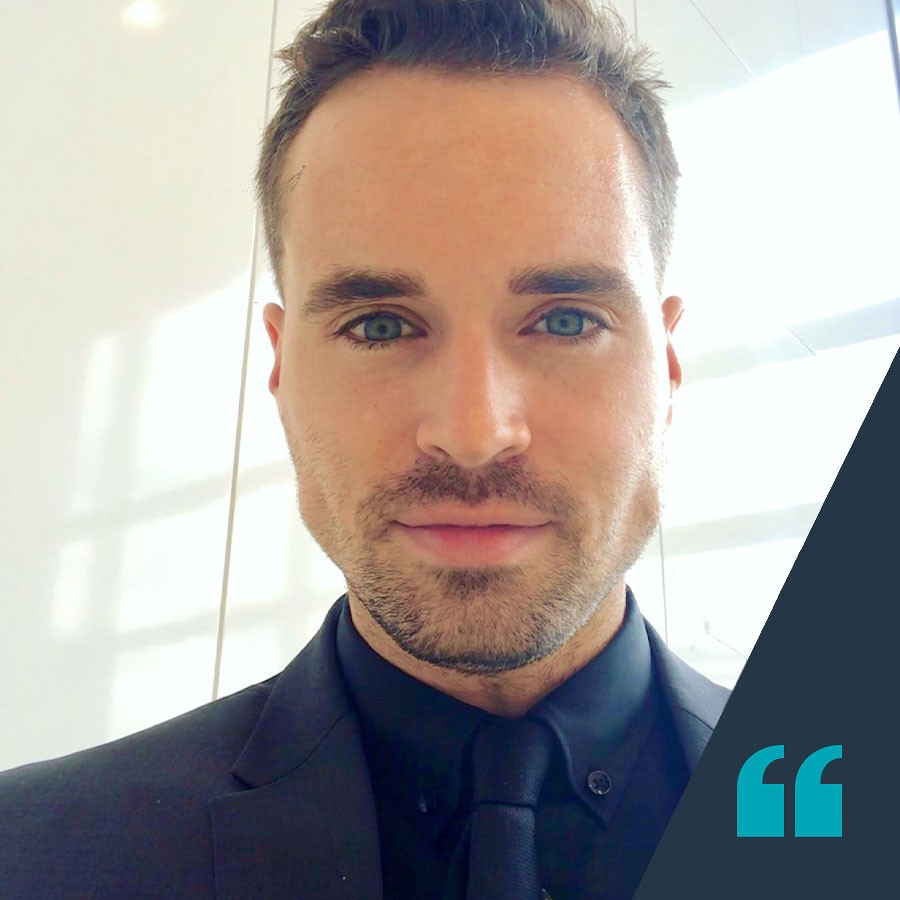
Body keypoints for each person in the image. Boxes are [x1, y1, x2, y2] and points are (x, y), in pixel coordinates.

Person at [0, 1, 730, 897]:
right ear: (280, 369)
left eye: (567, 321)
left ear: (667, 364)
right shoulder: (28, 855)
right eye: (381, 325)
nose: (473, 433)